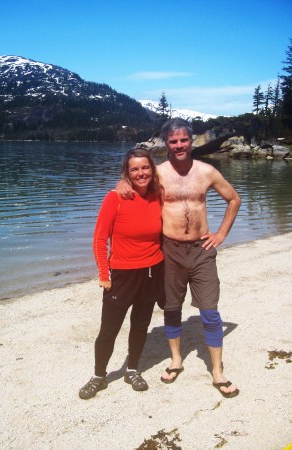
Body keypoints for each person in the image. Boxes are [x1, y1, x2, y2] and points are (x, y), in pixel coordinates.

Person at [116, 118, 241, 398]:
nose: (179, 145)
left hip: (202, 250)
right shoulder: (158, 174)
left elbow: (234, 199)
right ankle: (176, 361)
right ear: (166, 143)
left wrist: (221, 233)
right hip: (169, 251)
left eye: (184, 140)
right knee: (172, 309)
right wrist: (120, 182)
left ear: (192, 140)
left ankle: (217, 372)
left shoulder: (207, 171)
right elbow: (135, 182)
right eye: (173, 141)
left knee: (210, 311)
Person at [79, 148, 164, 400]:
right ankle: (99, 376)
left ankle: (132, 369)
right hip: (122, 275)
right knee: (109, 329)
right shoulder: (114, 198)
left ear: (152, 169)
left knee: (140, 325)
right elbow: (99, 240)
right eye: (134, 169)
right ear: (127, 173)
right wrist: (104, 274)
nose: (141, 173)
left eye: (145, 167)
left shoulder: (159, 196)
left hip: (151, 272)